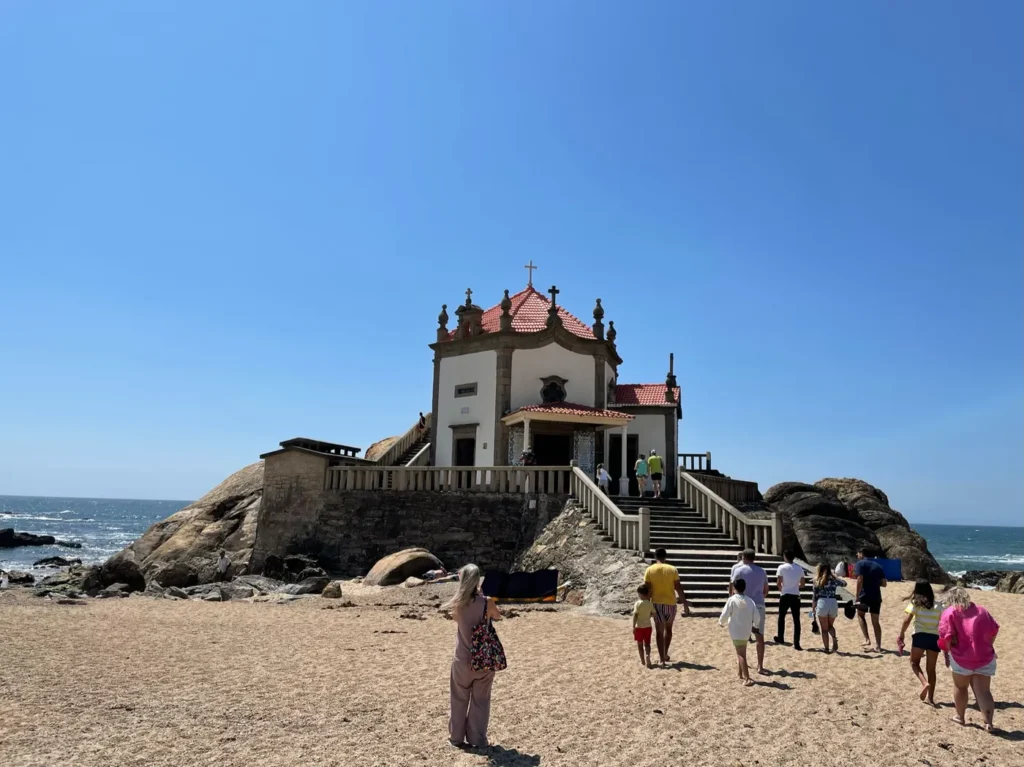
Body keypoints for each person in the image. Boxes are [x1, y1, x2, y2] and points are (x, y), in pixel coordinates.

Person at [445, 563, 503, 749]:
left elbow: (456, 619)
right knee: (481, 701)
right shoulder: (487, 602)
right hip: (483, 660)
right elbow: (498, 616)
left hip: (462, 659)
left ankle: (456, 738)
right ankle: (477, 740)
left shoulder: (457, 604)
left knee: (458, 699)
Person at [939, 587, 999, 731]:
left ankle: (960, 717)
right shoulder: (982, 610)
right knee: (984, 690)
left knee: (961, 687)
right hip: (984, 656)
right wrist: (989, 645)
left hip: (961, 657)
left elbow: (945, 636)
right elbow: (994, 630)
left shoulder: (950, 612)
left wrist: (946, 653)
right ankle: (988, 722)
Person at [898, 579, 949, 706]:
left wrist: (901, 634)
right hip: (934, 638)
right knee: (931, 669)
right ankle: (931, 699)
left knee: (914, 663)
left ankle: (924, 683)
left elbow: (906, 620)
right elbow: (944, 623)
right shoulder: (939, 606)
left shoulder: (915, 603)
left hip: (919, 636)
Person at [644, 548, 691, 664]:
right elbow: (678, 588)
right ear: (665, 557)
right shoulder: (672, 569)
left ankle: (661, 659)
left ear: (655, 557)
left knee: (659, 632)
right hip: (670, 603)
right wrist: (685, 603)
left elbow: (647, 591)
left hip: (656, 604)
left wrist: (647, 606)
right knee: (668, 630)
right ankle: (665, 654)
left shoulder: (649, 570)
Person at [730, 548, 769, 674]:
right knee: (760, 636)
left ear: (743, 557)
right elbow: (766, 591)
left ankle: (742, 663)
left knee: (742, 635)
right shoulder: (762, 571)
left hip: (743, 604)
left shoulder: (739, 570)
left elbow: (733, 588)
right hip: (758, 604)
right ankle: (760, 665)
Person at [719, 577, 759, 686]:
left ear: (734, 588)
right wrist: (756, 624)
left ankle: (747, 678)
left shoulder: (732, 600)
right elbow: (756, 615)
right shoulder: (750, 600)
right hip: (746, 631)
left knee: (741, 654)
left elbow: (725, 613)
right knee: (741, 651)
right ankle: (740, 673)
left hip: (735, 630)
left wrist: (721, 622)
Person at [854, 548, 887, 651]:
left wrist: (857, 595)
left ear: (861, 554)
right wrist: (874, 583)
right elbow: (884, 583)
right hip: (876, 596)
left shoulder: (860, 564)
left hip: (864, 595)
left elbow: (860, 579)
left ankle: (867, 639)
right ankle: (878, 646)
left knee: (860, 615)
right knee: (875, 622)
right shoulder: (878, 566)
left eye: (858, 553)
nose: (857, 554)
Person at [811, 561, 844, 654]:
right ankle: (834, 639)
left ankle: (826, 648)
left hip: (822, 602)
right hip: (833, 602)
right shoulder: (834, 580)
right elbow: (844, 583)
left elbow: (814, 597)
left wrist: (813, 609)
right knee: (830, 626)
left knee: (824, 629)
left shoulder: (817, 580)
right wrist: (835, 576)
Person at [774, 550, 804, 650]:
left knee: (781, 617)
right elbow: (803, 584)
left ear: (785, 556)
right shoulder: (799, 568)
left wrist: (782, 589)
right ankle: (797, 642)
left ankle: (781, 637)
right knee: (796, 619)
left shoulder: (781, 567)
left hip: (785, 594)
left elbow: (779, 582)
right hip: (795, 595)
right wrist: (795, 586)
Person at [632, 584, 655, 667]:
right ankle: (648, 655)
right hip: (648, 627)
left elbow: (635, 615)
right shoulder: (650, 604)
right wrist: (649, 616)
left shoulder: (637, 604)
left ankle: (642, 661)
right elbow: (653, 614)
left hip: (639, 627)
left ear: (640, 594)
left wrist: (633, 626)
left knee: (640, 644)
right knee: (647, 644)